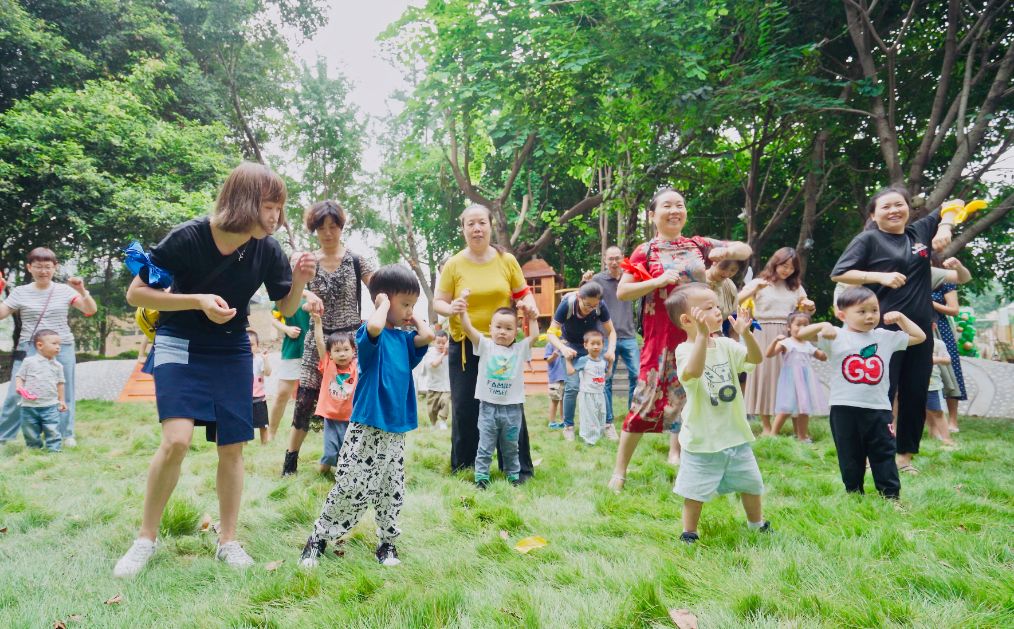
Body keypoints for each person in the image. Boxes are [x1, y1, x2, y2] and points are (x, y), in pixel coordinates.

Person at [114, 162, 316, 578]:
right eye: (269, 204)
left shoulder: (267, 250)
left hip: (231, 350)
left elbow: (289, 307)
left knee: (232, 446)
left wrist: (297, 281)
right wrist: (198, 299)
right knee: (176, 441)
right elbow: (137, 293)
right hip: (177, 343)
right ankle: (145, 540)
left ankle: (228, 540)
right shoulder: (188, 237)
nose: (276, 215)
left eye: (280, 206)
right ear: (244, 201)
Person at [609, 189, 751, 491]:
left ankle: (701, 469)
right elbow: (623, 292)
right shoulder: (644, 251)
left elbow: (744, 249)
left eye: (680, 205)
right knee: (643, 404)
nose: (675, 210)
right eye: (667, 205)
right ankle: (620, 472)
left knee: (701, 402)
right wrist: (658, 281)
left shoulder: (699, 244)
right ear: (652, 215)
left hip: (702, 336)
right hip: (661, 340)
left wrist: (725, 252)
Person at [299, 264, 432, 568]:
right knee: (352, 485)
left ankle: (387, 543)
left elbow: (428, 336)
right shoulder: (368, 336)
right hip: (368, 426)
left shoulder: (404, 341)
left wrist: (414, 315)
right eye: (405, 303)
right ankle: (318, 537)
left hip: (395, 429)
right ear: (382, 302)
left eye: (413, 304)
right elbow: (374, 328)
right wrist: (383, 304)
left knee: (391, 488)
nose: (409, 310)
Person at [831, 187, 955, 474]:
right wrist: (879, 276)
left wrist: (945, 225)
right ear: (874, 215)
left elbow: (954, 203)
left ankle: (904, 457)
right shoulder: (868, 240)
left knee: (915, 392)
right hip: (882, 330)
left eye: (899, 204)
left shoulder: (919, 232)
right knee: (879, 392)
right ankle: (866, 455)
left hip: (919, 330)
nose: (894, 211)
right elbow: (839, 272)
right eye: (885, 207)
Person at [432, 204, 540, 480]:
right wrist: (452, 307)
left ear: (490, 226)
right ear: (463, 229)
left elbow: (523, 294)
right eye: (470, 224)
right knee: (465, 407)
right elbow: (438, 303)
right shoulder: (454, 264)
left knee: (509, 405)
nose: (477, 228)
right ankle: (466, 467)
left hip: (503, 348)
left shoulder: (507, 261)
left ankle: (518, 468)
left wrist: (530, 306)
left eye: (482, 223)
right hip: (466, 346)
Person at [799, 286, 925, 498]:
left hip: (879, 408)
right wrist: (823, 325)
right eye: (862, 311)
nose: (870, 316)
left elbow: (919, 336)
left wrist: (901, 318)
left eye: (874, 310)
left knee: (883, 452)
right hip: (844, 408)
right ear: (842, 315)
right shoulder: (835, 336)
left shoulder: (884, 336)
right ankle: (854, 493)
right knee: (849, 454)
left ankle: (891, 496)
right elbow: (800, 334)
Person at [667, 283, 769, 543]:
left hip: (735, 434)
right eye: (709, 307)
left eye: (717, 306)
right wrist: (701, 337)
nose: (718, 311)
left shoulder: (725, 345)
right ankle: (689, 532)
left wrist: (746, 335)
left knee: (751, 483)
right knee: (694, 491)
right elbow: (693, 372)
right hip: (703, 438)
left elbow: (756, 359)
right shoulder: (685, 350)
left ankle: (756, 524)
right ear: (687, 319)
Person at [281, 200, 375, 477]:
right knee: (305, 399)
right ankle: (290, 461)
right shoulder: (306, 262)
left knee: (354, 401)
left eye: (333, 227)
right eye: (321, 227)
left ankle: (355, 459)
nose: (328, 233)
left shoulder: (357, 260)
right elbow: (287, 295)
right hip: (318, 339)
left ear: (341, 227)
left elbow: (379, 290)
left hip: (350, 342)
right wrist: (307, 295)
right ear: (314, 229)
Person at [0, 247, 97, 446]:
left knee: (64, 391)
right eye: (38, 267)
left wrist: (81, 290)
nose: (43, 271)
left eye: (47, 267)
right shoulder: (20, 292)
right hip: (30, 348)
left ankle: (65, 434)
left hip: (61, 347)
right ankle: (4, 437)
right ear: (29, 268)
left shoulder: (64, 290)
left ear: (55, 268)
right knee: (15, 393)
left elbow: (90, 309)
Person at [458, 303, 537, 488]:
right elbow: (468, 329)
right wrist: (462, 312)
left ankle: (513, 476)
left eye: (509, 328)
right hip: (488, 408)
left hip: (512, 410)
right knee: (484, 446)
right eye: (498, 327)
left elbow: (533, 336)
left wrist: (531, 317)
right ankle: (481, 478)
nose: (503, 332)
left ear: (516, 331)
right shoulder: (485, 346)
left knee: (511, 446)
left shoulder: (519, 350)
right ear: (490, 329)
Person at [738, 247, 815, 435]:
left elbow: (805, 309)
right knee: (764, 377)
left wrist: (810, 306)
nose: (786, 270)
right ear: (775, 263)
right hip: (763, 332)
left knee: (789, 376)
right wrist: (754, 289)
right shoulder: (759, 282)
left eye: (791, 268)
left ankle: (793, 425)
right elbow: (736, 300)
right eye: (783, 265)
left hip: (789, 335)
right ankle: (766, 425)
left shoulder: (795, 287)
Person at [546, 281, 616, 442]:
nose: (590, 309)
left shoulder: (600, 306)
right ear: (579, 297)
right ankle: (568, 426)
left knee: (601, 385)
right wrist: (563, 349)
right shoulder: (567, 305)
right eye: (587, 305)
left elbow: (611, 331)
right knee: (572, 387)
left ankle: (608, 425)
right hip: (571, 346)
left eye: (594, 306)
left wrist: (611, 349)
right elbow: (551, 333)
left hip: (592, 344)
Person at [593, 246, 640, 439]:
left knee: (636, 377)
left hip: (629, 336)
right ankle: (608, 422)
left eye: (617, 258)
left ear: (623, 259)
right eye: (610, 259)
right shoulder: (598, 280)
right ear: (605, 260)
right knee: (606, 380)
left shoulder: (630, 278)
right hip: (606, 338)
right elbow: (586, 297)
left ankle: (633, 417)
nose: (614, 262)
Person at [767, 312, 828, 442]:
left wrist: (827, 343)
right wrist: (775, 341)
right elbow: (769, 354)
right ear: (789, 327)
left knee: (804, 408)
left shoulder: (808, 345)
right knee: (786, 408)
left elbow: (822, 357)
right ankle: (772, 434)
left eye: (805, 325)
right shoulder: (787, 342)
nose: (801, 327)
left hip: (806, 381)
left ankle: (802, 436)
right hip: (790, 380)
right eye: (798, 324)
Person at [310, 312, 357, 474]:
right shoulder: (328, 365)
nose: (342, 354)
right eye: (337, 350)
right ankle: (323, 471)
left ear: (353, 352)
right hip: (331, 417)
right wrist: (317, 323)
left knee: (348, 451)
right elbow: (319, 344)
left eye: (346, 349)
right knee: (330, 452)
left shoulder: (357, 368)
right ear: (330, 354)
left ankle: (344, 475)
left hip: (350, 418)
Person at [930, 258, 970, 433]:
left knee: (951, 372)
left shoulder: (944, 282)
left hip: (942, 328)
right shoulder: (911, 280)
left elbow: (954, 310)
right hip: (918, 327)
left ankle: (953, 420)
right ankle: (930, 422)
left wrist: (930, 303)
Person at [14, 329, 67, 452]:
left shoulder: (58, 366)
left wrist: (62, 400)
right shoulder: (29, 362)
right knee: (30, 430)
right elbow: (19, 376)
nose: (58, 347)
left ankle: (54, 450)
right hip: (28, 406)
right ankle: (34, 449)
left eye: (59, 344)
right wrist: (19, 387)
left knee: (52, 428)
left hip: (50, 405)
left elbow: (60, 384)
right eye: (54, 344)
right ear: (40, 345)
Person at [268, 295, 310, 440]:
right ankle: (271, 433)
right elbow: (273, 318)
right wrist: (286, 329)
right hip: (293, 349)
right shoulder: (285, 297)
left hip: (316, 349)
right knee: (282, 393)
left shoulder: (314, 292)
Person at [565, 329, 610, 445]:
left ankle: (598, 436)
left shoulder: (603, 361)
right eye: (592, 343)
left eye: (598, 344)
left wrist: (611, 363)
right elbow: (571, 372)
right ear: (586, 345)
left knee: (601, 415)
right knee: (589, 417)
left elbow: (607, 375)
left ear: (603, 345)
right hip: (587, 394)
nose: (596, 346)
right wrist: (567, 360)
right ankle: (588, 438)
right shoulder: (584, 360)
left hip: (600, 394)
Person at [925, 330, 956, 447]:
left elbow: (947, 360)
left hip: (932, 385)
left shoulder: (938, 343)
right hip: (911, 383)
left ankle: (946, 439)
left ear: (932, 327)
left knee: (936, 411)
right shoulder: (910, 341)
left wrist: (935, 359)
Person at [422, 330, 451, 430]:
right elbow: (434, 364)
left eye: (443, 343)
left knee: (445, 401)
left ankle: (443, 420)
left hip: (446, 386)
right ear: (434, 342)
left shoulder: (450, 354)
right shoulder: (430, 353)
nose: (441, 345)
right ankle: (434, 423)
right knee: (432, 409)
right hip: (433, 386)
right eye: (438, 342)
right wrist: (443, 354)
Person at [248, 329, 271, 445]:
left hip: (259, 398)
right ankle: (244, 445)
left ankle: (264, 444)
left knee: (263, 424)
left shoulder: (259, 360)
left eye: (251, 344)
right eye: (245, 344)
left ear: (257, 346)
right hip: (244, 399)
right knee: (245, 424)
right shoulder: (239, 361)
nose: (248, 347)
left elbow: (267, 373)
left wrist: (266, 360)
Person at [543, 342, 566, 429]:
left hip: (566, 377)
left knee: (564, 401)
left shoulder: (568, 342)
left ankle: (563, 421)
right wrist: (554, 355)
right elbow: (548, 360)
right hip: (555, 378)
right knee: (554, 400)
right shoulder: (550, 344)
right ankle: (552, 422)